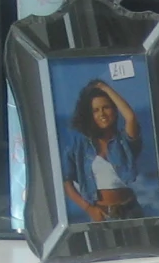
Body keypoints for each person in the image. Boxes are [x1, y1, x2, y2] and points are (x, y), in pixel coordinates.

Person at [61, 79, 147, 221]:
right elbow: (67, 182)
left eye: (106, 107)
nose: (102, 114)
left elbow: (130, 117)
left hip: (131, 209)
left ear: (114, 110)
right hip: (101, 213)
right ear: (90, 115)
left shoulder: (123, 141)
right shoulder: (80, 144)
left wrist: (106, 89)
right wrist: (89, 208)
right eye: (95, 110)